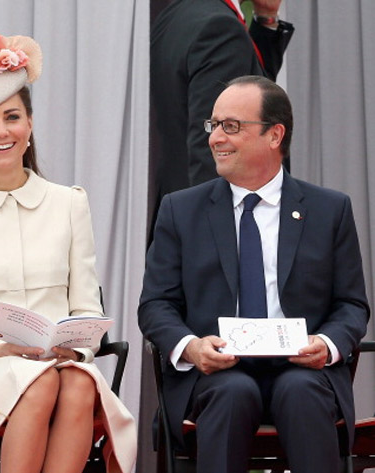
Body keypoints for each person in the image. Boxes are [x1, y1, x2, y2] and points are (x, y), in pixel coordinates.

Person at [0, 34, 137, 473]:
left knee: (73, 382)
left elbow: (86, 309)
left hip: (60, 365)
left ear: (30, 124)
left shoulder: (69, 203)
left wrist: (75, 351)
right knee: (38, 385)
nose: (1, 131)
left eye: (12, 117)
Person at [139, 75, 369, 473]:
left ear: (274, 135)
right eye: (213, 126)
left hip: (302, 369)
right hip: (217, 373)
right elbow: (156, 305)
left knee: (301, 392)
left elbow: (351, 304)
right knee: (232, 392)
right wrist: (192, 347)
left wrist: (327, 344)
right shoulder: (181, 210)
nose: (215, 138)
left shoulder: (329, 210)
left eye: (231, 126)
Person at [148, 0, 294, 243]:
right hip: (216, 231)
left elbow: (253, 92)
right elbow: (215, 147)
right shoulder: (221, 28)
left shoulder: (177, 14)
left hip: (179, 214)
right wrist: (218, 245)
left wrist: (266, 17)